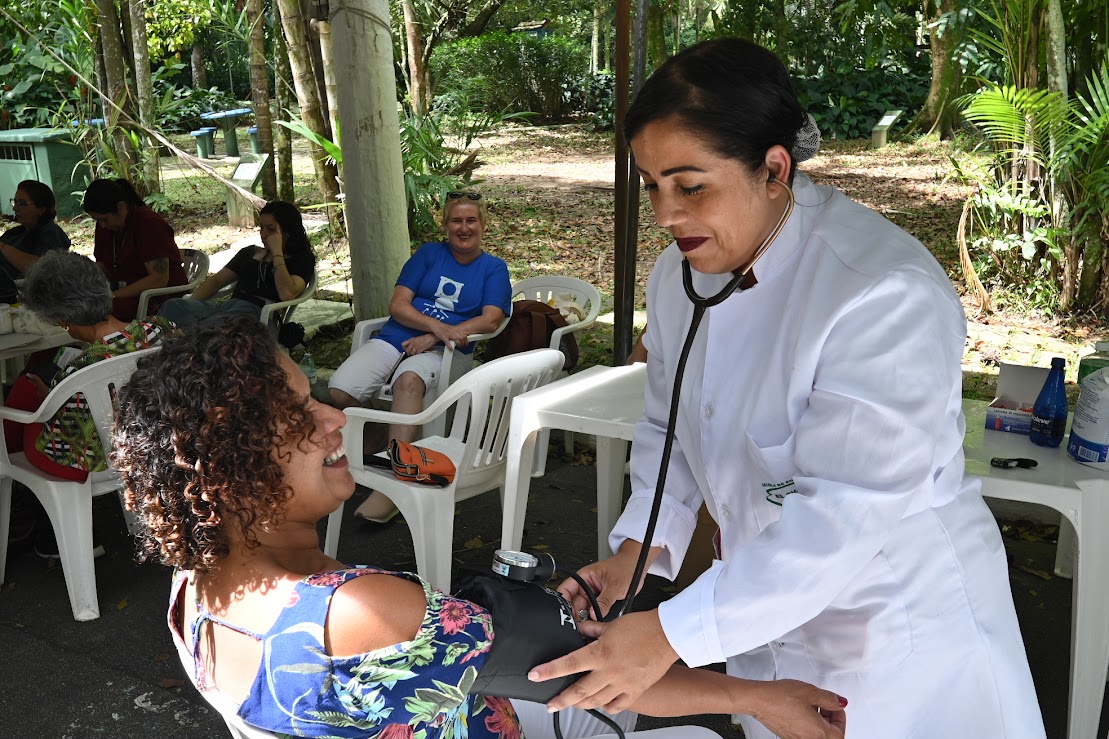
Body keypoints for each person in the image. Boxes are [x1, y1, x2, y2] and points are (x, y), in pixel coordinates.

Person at [527, 38, 1047, 739]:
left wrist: (668, 634)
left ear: (774, 168)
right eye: (650, 184)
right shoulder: (679, 279)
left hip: (892, 632)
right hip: (757, 619)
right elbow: (672, 429)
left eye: (689, 185)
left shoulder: (880, 294)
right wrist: (635, 555)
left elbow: (842, 516)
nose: (664, 214)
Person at [112, 316, 847, 739]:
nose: (334, 416)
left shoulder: (193, 587)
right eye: (299, 414)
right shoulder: (354, 608)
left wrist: (549, 607)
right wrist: (760, 695)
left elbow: (462, 644)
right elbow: (586, 665)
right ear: (232, 466)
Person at [328, 191, 511, 523]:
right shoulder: (428, 254)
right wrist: (438, 327)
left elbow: (491, 319)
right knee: (341, 390)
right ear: (445, 225)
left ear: (483, 225)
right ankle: (381, 438)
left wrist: (434, 337)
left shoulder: (493, 268)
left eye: (472, 220)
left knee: (408, 382)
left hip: (448, 352)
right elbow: (397, 305)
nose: (464, 227)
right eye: (457, 220)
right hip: (397, 337)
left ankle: (396, 481)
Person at [2, 250, 176, 557]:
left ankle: (21, 498)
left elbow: (68, 429)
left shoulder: (79, 369)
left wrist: (48, 396)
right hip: (163, 438)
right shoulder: (163, 328)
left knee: (26, 392)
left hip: (100, 460)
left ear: (62, 319)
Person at [159, 201, 315, 329]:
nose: (263, 234)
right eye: (262, 228)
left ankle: (189, 343)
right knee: (173, 306)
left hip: (258, 315)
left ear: (287, 232)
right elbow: (217, 281)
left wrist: (276, 253)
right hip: (228, 307)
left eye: (271, 229)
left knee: (211, 327)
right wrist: (191, 304)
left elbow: (286, 293)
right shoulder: (250, 252)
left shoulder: (301, 259)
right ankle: (185, 341)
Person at [84, 178, 187, 320]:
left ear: (121, 207)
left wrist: (112, 296)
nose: (102, 225)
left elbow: (159, 279)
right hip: (123, 292)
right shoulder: (107, 227)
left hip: (159, 297)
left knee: (99, 313)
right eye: (97, 221)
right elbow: (103, 265)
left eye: (104, 219)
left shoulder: (148, 223)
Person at [0, 180, 71, 303]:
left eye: (23, 204)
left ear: (41, 209)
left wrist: (3, 247)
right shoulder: (16, 232)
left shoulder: (51, 232)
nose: (15, 208)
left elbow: (43, 269)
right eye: (15, 202)